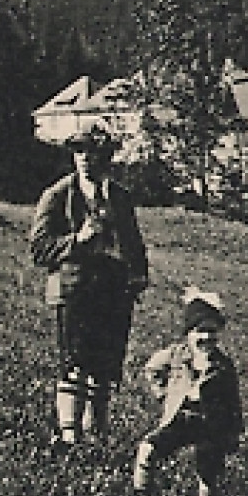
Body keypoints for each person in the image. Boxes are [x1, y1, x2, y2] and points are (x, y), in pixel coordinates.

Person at [29, 118, 149, 448]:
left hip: (113, 291)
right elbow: (39, 249)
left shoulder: (120, 198)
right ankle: (70, 436)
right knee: (75, 364)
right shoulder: (57, 196)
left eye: (92, 151)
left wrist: (138, 275)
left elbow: (135, 243)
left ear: (106, 156)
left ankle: (98, 433)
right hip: (76, 290)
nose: (84, 157)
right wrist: (77, 241)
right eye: (78, 150)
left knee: (105, 367)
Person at [134, 288, 244, 496]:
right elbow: (152, 368)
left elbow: (233, 402)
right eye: (200, 331)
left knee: (208, 471)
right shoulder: (176, 355)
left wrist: (233, 432)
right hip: (179, 419)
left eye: (212, 332)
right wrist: (163, 393)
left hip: (209, 424)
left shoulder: (223, 366)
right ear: (188, 333)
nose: (206, 338)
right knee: (148, 449)